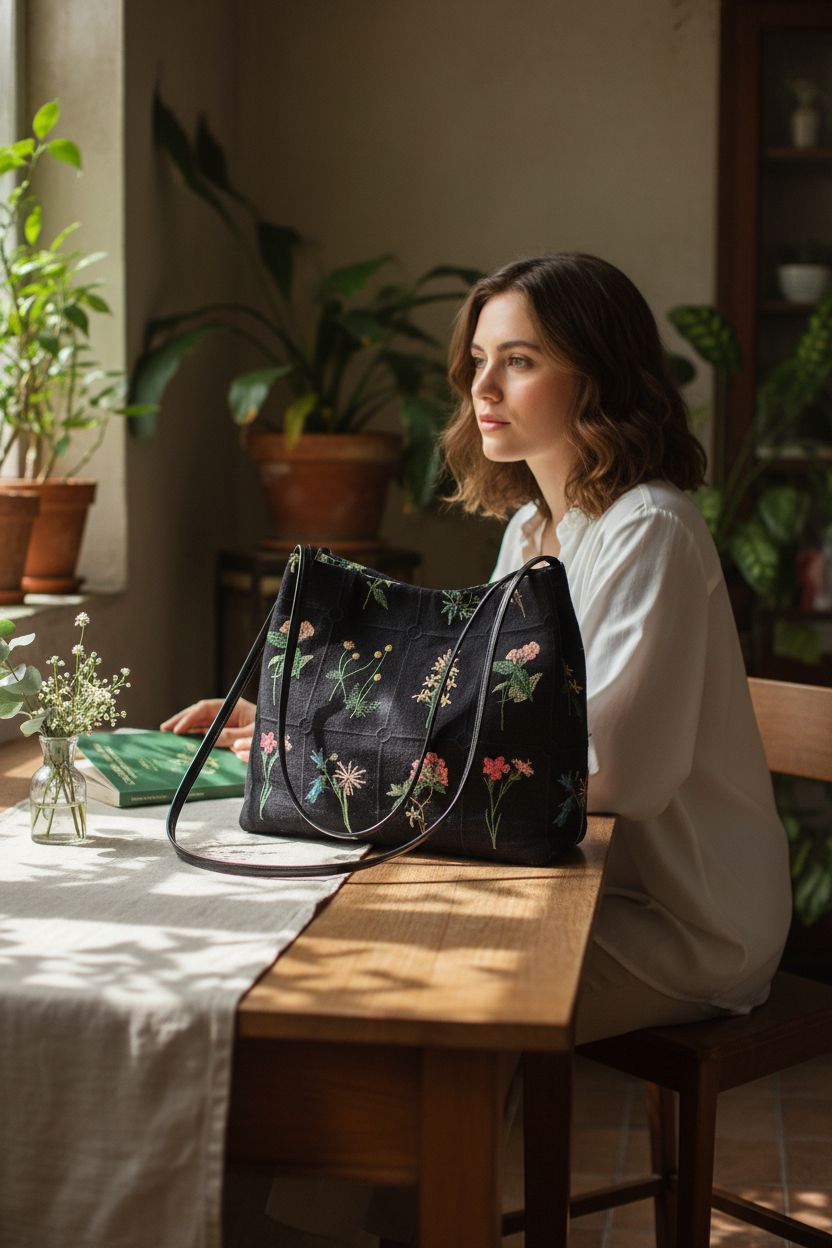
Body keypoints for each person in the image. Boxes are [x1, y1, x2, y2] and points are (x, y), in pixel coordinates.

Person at [163, 253, 792, 1244]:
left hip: (681, 920)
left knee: (400, 1023)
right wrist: (296, 736)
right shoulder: (538, 526)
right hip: (561, 876)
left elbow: (620, 776)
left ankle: (329, 1227)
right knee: (331, 974)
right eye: (477, 361)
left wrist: (369, 757)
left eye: (519, 361)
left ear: (596, 374)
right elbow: (471, 725)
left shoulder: (651, 532)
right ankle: (332, 1222)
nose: (481, 388)